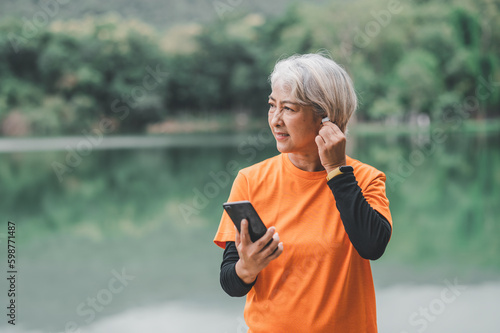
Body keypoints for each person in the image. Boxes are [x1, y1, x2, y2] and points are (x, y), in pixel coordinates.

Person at [213, 53, 392, 332]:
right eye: (272, 106)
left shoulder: (365, 179)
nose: (275, 120)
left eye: (289, 109)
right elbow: (230, 282)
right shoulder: (250, 180)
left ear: (326, 117)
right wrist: (247, 268)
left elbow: (372, 246)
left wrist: (336, 171)